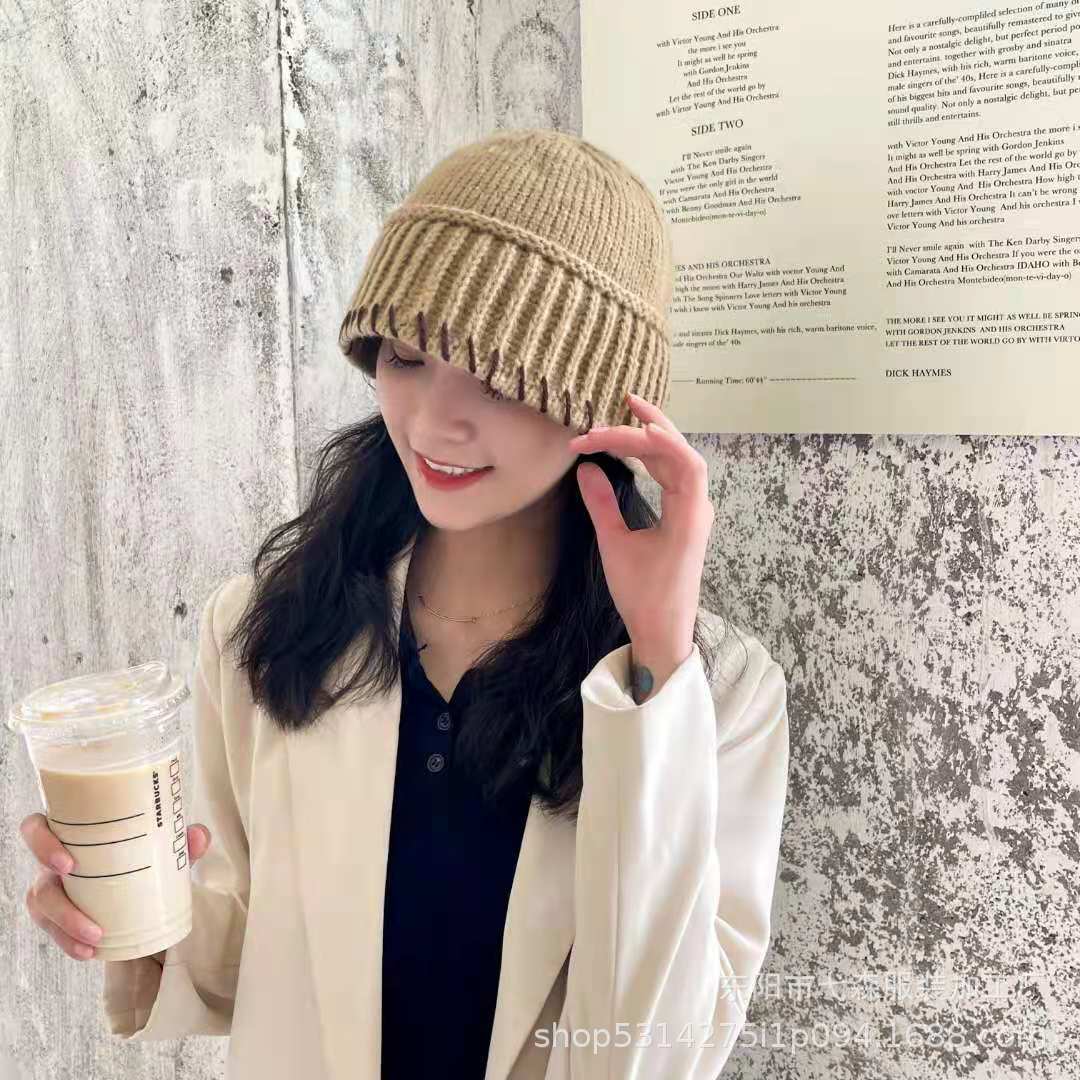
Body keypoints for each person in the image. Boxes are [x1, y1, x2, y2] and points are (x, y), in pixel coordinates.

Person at [19, 127, 790, 1079]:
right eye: (408, 356)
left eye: (498, 378)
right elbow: (251, 959)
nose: (433, 420)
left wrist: (657, 666)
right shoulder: (271, 628)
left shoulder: (717, 693)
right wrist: (121, 907)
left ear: (604, 411)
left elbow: (652, 1051)